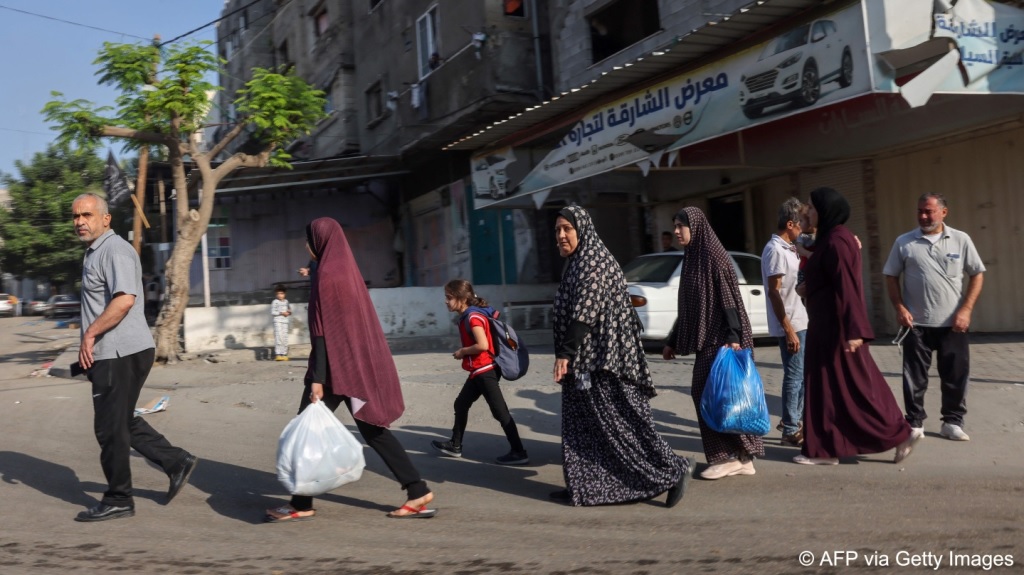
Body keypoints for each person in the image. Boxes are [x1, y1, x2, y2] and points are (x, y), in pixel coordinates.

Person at [265, 217, 436, 522]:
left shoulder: (327, 275)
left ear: (321, 241)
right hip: (352, 365)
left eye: (309, 240)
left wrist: (317, 379)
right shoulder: (344, 271)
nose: (307, 246)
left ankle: (301, 504)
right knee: (373, 430)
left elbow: (321, 331)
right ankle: (416, 489)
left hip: (332, 369)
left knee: (308, 429)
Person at [551, 205, 692, 508]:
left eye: (567, 229)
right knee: (583, 427)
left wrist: (565, 353)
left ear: (582, 230)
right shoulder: (576, 262)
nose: (561, 235)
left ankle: (673, 471)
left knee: (622, 426)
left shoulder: (593, 262)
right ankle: (584, 484)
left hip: (606, 362)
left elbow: (585, 312)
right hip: (586, 362)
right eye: (558, 230)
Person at [70, 193, 197, 522]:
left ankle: (119, 498)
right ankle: (175, 461)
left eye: (86, 214)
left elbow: (124, 300)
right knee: (120, 421)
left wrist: (90, 334)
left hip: (119, 352)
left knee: (109, 428)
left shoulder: (115, 250)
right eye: (75, 216)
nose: (80, 221)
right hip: (112, 351)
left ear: (105, 218)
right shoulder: (96, 252)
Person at [796, 187, 919, 466]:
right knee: (833, 388)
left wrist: (855, 331)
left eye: (813, 209)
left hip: (836, 329)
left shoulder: (838, 241)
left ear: (827, 211)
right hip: (827, 327)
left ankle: (898, 433)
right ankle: (827, 449)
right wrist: (808, 287)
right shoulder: (831, 239)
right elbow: (825, 273)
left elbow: (848, 287)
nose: (809, 213)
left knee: (856, 387)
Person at [663, 207, 764, 479]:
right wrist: (673, 339)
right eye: (674, 226)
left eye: (680, 226)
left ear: (695, 227)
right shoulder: (692, 257)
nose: (676, 231)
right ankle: (740, 457)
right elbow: (688, 307)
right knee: (714, 396)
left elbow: (729, 300)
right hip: (710, 338)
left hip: (724, 339)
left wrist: (733, 337)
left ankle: (733, 456)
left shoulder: (715, 257)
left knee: (720, 396)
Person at [883, 193, 985, 442]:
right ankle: (914, 423)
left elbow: (977, 274)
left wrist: (966, 310)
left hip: (953, 324)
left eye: (928, 211)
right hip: (915, 325)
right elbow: (890, 275)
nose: (923, 216)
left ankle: (952, 422)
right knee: (914, 378)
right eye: (920, 211)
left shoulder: (961, 240)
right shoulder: (904, 242)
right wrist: (899, 306)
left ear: (943, 212)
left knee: (955, 376)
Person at [430, 279, 529, 465]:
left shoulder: (473, 317)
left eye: (449, 297)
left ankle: (519, 452)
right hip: (478, 370)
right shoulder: (470, 315)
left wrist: (463, 352)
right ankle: (455, 445)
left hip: (485, 370)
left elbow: (482, 345)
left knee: (500, 412)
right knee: (461, 404)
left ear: (461, 298)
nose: (446, 301)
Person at [761, 198, 809, 447]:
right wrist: (788, 330)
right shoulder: (775, 250)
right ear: (790, 224)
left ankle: (793, 420)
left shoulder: (790, 247)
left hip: (801, 320)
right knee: (794, 376)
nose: (803, 228)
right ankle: (790, 429)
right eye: (800, 223)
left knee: (801, 376)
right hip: (790, 323)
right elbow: (774, 292)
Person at [270, 284, 292, 361]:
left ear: (284, 294)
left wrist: (289, 312)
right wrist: (282, 313)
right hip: (277, 321)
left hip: (285, 322)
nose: (280, 295)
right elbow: (273, 312)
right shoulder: (275, 302)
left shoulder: (286, 302)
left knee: (284, 337)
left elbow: (289, 310)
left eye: (281, 293)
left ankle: (284, 354)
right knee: (279, 337)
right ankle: (278, 354)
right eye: (278, 293)